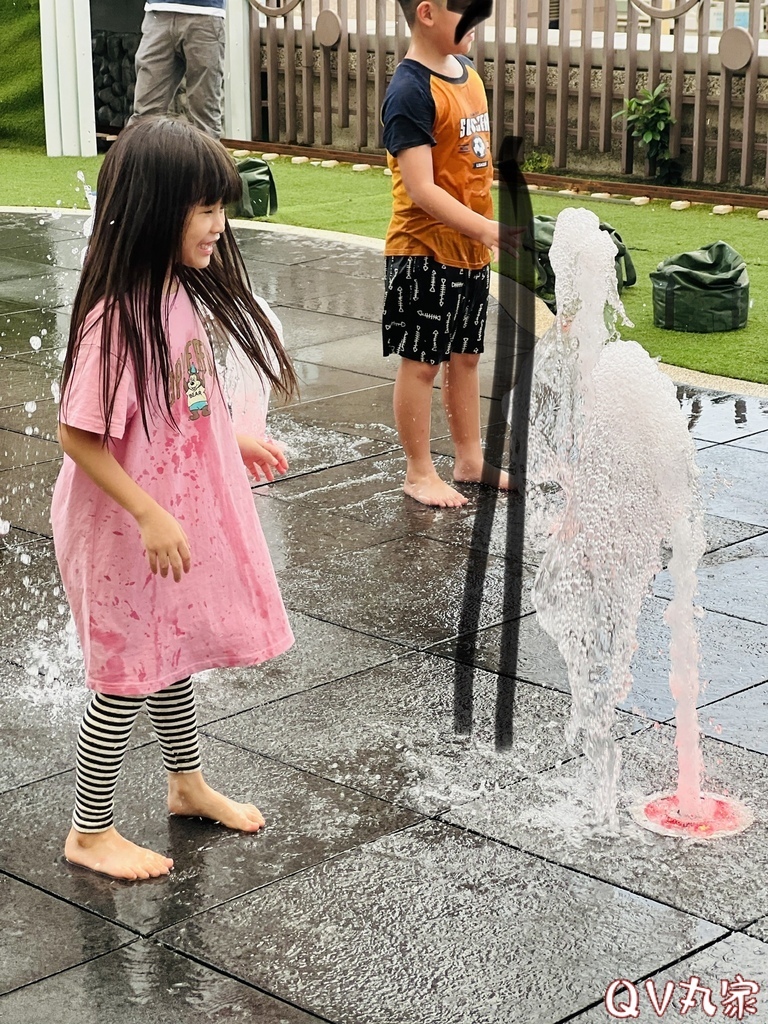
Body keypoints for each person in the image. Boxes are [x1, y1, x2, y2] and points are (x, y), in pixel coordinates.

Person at [51, 117, 297, 881]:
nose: (218, 224)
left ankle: (185, 783)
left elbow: (194, 397)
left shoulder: (175, 297)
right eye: (203, 208)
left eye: (220, 207)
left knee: (171, 649)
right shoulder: (116, 320)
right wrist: (150, 512)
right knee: (126, 672)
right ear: (157, 209)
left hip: (164, 516)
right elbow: (77, 436)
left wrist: (233, 440)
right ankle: (90, 831)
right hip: (123, 525)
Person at [381, 0, 521, 508]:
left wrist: (484, 224)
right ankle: (419, 471)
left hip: (468, 251)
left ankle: (468, 457)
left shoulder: (467, 75)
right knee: (421, 363)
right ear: (426, 13)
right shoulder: (410, 90)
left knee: (465, 357)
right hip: (424, 253)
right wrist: (485, 226)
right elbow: (421, 188)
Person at [128, 0, 227, 139]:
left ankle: (205, 160)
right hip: (158, 12)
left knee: (205, 115)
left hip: (206, 14)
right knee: (145, 114)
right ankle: (135, 160)